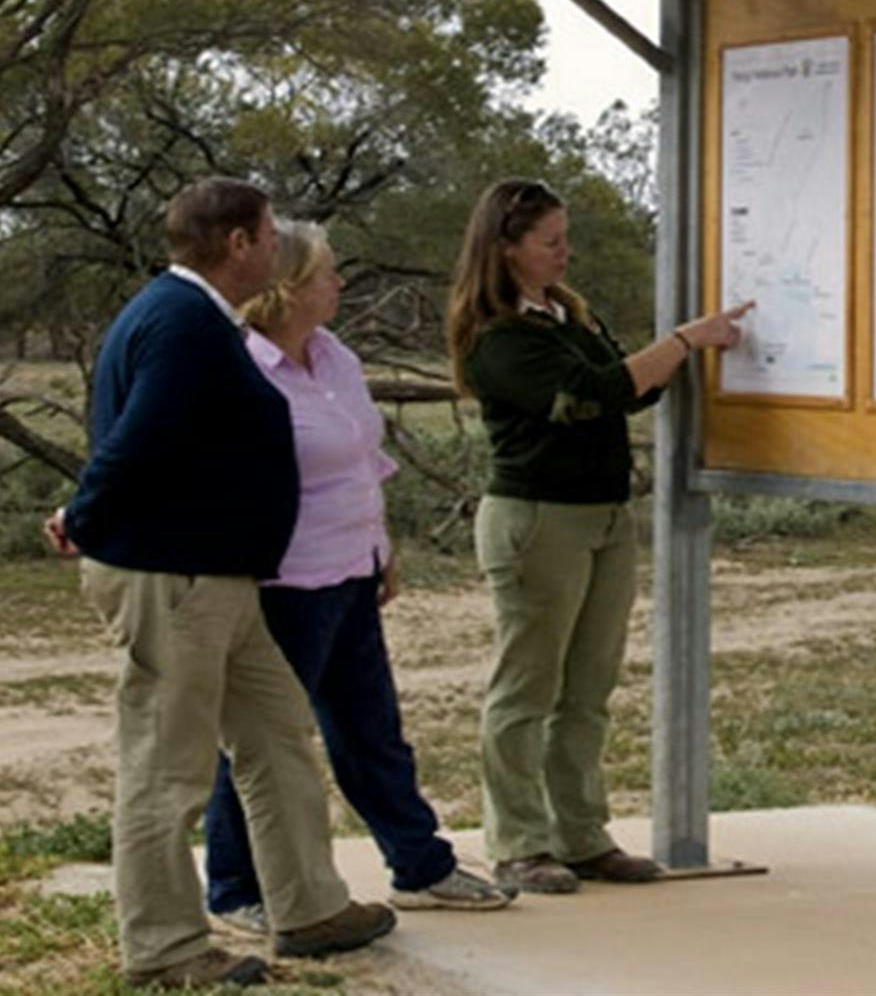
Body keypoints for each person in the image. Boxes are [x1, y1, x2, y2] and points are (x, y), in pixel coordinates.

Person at [44, 178, 394, 990]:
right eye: (270, 235)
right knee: (167, 769)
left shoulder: (199, 320)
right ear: (237, 243)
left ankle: (308, 909)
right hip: (175, 579)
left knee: (277, 738)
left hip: (224, 581)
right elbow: (139, 440)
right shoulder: (182, 325)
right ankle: (165, 950)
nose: (277, 248)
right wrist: (85, 515)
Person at [201, 219, 513, 931]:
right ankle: (234, 887)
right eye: (327, 274)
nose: (340, 284)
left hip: (352, 569)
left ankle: (420, 865)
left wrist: (384, 549)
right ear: (287, 288)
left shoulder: (335, 356)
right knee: (265, 739)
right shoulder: (241, 364)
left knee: (372, 730)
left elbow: (363, 459)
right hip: (285, 583)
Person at [446, 179, 750, 895]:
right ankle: (518, 841)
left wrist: (683, 356)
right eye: (550, 242)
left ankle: (580, 835)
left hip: (604, 515)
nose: (565, 253)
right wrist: (682, 340)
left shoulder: (565, 314)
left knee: (587, 688)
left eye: (565, 238)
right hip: (537, 520)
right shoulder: (499, 335)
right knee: (526, 687)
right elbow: (592, 397)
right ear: (506, 248)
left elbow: (634, 388)